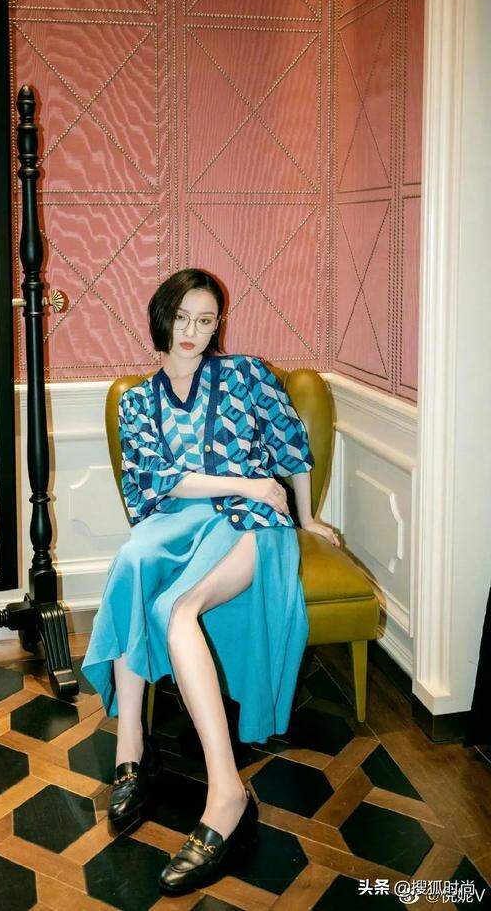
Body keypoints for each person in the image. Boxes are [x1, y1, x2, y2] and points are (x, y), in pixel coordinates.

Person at [81, 269, 339, 896]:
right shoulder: (139, 401)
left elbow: (290, 441)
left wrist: (305, 517)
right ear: (161, 318)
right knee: (133, 563)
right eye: (182, 318)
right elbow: (158, 481)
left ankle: (227, 795)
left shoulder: (246, 374)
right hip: (186, 517)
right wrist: (247, 480)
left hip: (252, 523)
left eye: (205, 319)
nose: (192, 332)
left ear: (218, 323)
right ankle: (131, 749)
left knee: (179, 611)